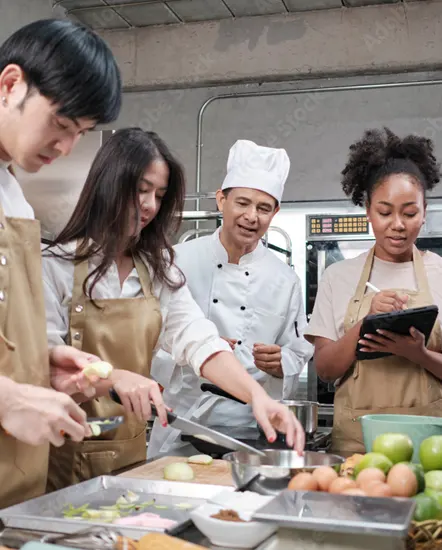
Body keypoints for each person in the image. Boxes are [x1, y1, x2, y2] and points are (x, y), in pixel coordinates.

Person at [41, 128, 305, 490]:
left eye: (159, 196)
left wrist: (258, 397)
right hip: (59, 450)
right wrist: (113, 377)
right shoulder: (55, 264)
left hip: (129, 454)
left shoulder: (157, 270)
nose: (149, 205)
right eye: (140, 190)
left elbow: (197, 339)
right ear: (108, 184)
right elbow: (42, 358)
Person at [0, 18, 122, 508]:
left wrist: (38, 361)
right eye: (61, 124)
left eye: (82, 133)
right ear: (11, 85)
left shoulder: (15, 201)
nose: (67, 147)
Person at [148, 139, 313, 458]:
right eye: (242, 203)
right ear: (221, 200)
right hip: (182, 424)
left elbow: (299, 349)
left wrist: (282, 362)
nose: (252, 217)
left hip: (251, 429)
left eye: (264, 208)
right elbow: (147, 339)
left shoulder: (285, 279)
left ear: (275, 212)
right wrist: (197, 348)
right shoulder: (175, 261)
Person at [305, 127, 442, 457]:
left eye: (410, 213)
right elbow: (325, 369)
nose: (397, 224)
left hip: (430, 448)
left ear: (424, 214)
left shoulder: (440, 272)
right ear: (368, 211)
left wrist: (417, 354)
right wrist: (366, 321)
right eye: (385, 212)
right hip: (357, 447)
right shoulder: (338, 277)